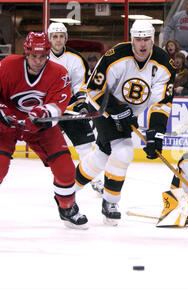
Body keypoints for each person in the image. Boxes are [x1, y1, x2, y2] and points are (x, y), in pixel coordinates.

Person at [74, 20, 176, 226]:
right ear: (131, 39)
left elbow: (162, 103)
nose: (142, 44)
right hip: (102, 107)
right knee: (124, 151)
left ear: (153, 40)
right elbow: (95, 89)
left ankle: (67, 188)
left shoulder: (165, 63)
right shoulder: (115, 56)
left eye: (146, 39)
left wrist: (156, 132)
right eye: (138, 39)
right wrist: (117, 110)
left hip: (129, 112)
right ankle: (110, 202)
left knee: (103, 154)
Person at [0, 32, 88, 229]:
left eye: (42, 56)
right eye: (33, 56)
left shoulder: (59, 72)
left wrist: (43, 113)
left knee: (66, 171)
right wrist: (2, 110)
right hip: (6, 124)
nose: (38, 61)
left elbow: (58, 104)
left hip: (39, 126)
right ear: (26, 53)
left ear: (48, 54)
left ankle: (67, 207)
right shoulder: (7, 65)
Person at [47, 22, 103, 196]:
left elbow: (81, 83)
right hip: (49, 109)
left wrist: (80, 102)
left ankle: (96, 180)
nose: (58, 40)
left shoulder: (75, 58)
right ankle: (61, 180)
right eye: (54, 36)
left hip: (70, 107)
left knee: (85, 146)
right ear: (49, 39)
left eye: (61, 36)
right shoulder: (40, 57)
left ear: (66, 38)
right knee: (52, 149)